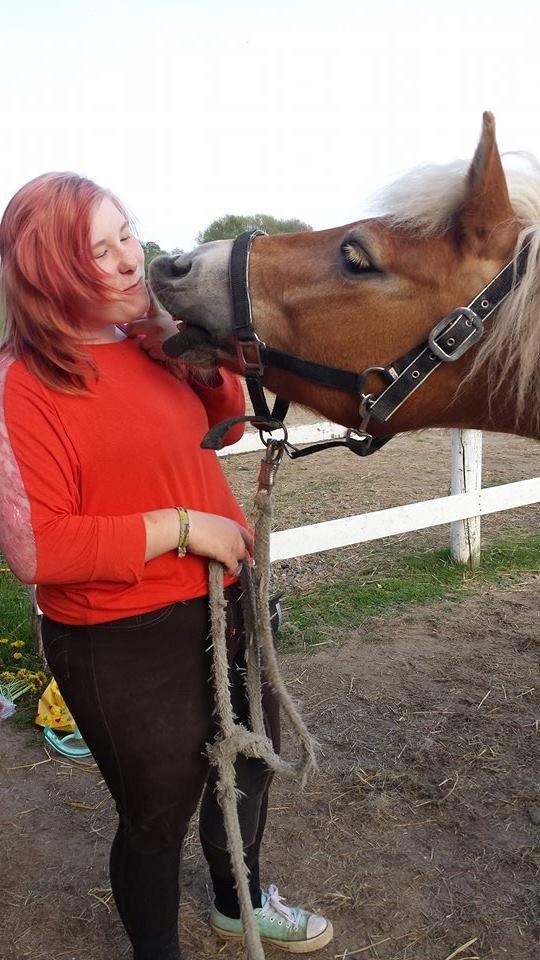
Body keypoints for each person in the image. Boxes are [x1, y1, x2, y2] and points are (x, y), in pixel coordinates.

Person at [0, 173, 333, 959]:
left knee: (248, 763)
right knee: (158, 814)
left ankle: (238, 903)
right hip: (121, 636)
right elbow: (39, 549)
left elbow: (224, 428)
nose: (130, 259)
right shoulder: (23, 385)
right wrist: (181, 527)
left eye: (127, 234)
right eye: (99, 250)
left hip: (225, 600)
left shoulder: (147, 339)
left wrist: (194, 358)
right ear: (49, 273)